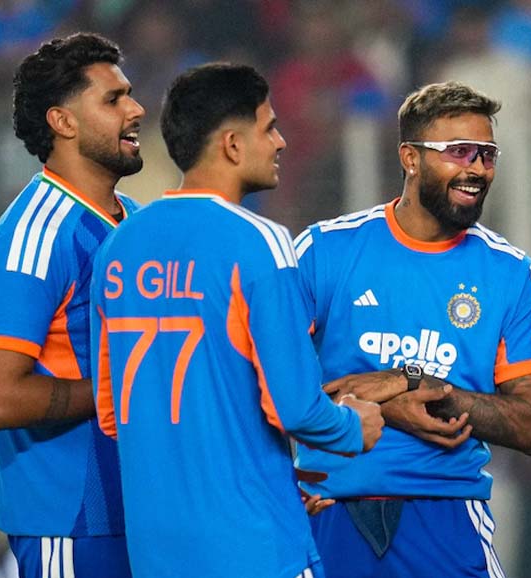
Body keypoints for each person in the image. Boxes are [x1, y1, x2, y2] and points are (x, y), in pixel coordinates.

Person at [90, 62, 384, 578]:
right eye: (269, 128)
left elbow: (113, 414)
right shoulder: (258, 241)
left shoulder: (117, 248)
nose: (281, 142)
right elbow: (296, 409)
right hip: (256, 546)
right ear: (232, 144)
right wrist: (352, 426)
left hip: (157, 553)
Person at [292, 81, 531, 577]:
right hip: (328, 509)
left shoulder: (509, 272)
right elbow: (267, 383)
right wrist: (386, 409)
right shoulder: (324, 250)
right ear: (410, 158)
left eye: (486, 155)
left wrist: (418, 385)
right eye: (459, 152)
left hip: (446, 514)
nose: (476, 168)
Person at [0, 32, 144, 578]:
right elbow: (0, 399)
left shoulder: (136, 220)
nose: (136, 110)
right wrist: (124, 388)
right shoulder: (32, 237)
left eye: (129, 95)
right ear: (63, 121)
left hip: (145, 514)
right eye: (113, 99)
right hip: (71, 526)